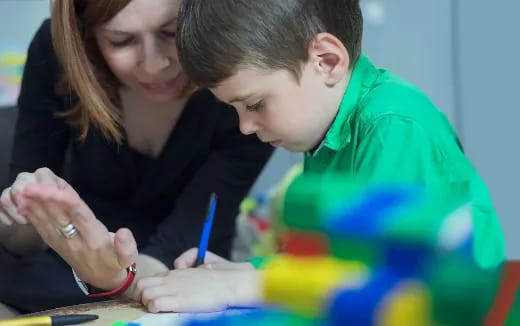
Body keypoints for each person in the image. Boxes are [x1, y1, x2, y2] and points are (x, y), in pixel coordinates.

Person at [14, 0, 505, 314]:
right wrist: (244, 271)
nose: (245, 126)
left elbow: (395, 272)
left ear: (327, 62)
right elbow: (339, 256)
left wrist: (241, 288)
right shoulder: (331, 135)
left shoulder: (392, 126)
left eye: (253, 105)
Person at [0, 0, 272, 316]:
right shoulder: (57, 51)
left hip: (185, 273)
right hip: (58, 270)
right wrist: (24, 219)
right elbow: (20, 244)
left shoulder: (243, 90)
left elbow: (175, 260)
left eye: (172, 32)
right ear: (85, 36)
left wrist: (114, 276)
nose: (154, 64)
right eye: (121, 41)